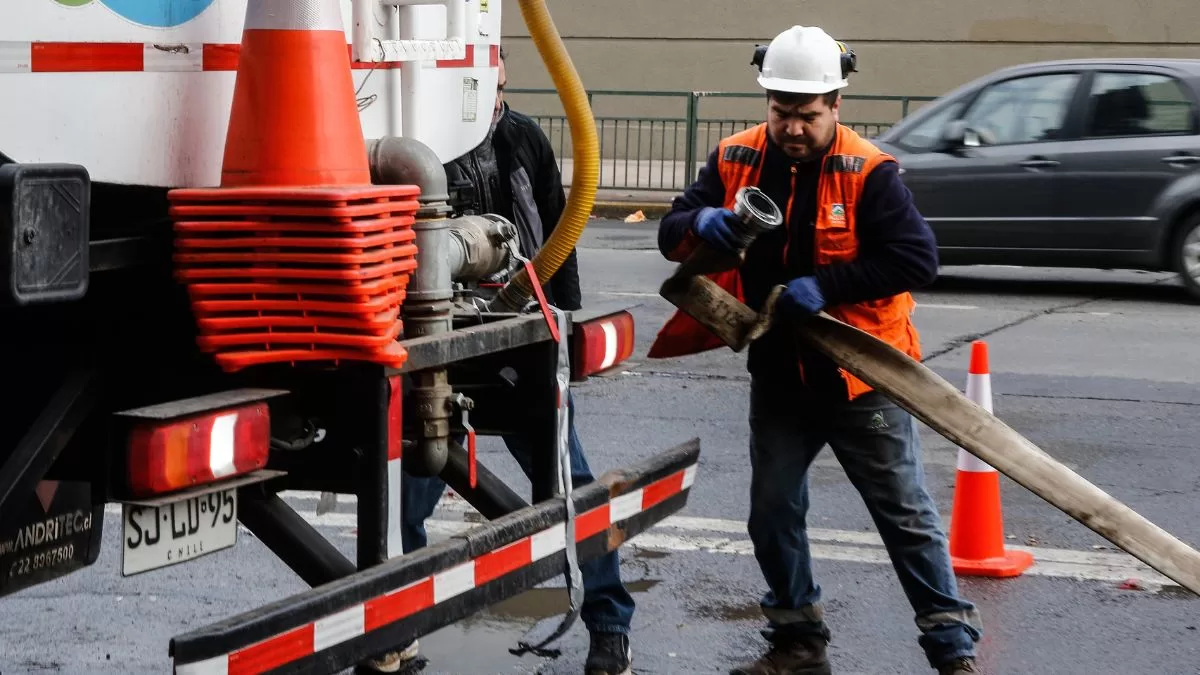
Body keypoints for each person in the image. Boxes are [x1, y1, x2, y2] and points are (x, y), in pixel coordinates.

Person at [649, 25, 983, 675]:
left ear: (836, 105)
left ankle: (952, 649)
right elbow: (669, 233)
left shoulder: (871, 172)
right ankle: (798, 643)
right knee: (772, 511)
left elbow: (917, 257)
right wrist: (698, 223)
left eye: (807, 115)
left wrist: (826, 285)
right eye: (781, 113)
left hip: (862, 375)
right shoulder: (734, 158)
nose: (793, 128)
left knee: (904, 514)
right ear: (766, 104)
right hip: (779, 373)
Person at [399, 45, 637, 675]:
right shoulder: (409, 144)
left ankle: (610, 628)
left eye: (491, 85)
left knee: (569, 486)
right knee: (410, 495)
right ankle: (399, 637)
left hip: (524, 333)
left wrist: (563, 321)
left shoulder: (523, 136)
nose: (485, 99)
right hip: (431, 345)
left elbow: (558, 223)